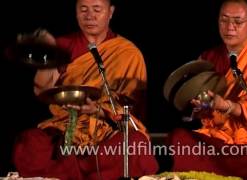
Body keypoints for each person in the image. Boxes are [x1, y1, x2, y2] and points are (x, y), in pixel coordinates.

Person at [12, 0, 158, 179]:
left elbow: (132, 110)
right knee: (30, 142)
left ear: (110, 12)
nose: (90, 16)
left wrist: (98, 110)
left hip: (108, 129)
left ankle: (70, 171)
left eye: (97, 9)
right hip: (66, 127)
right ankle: (78, 170)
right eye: (83, 10)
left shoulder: (128, 53)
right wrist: (47, 51)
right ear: (76, 12)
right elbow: (41, 90)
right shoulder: (62, 45)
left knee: (135, 145)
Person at [166, 0, 247, 178]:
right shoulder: (209, 57)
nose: (230, 27)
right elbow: (201, 114)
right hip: (219, 137)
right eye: (224, 20)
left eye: (237, 21)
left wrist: (227, 106)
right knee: (180, 138)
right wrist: (201, 108)